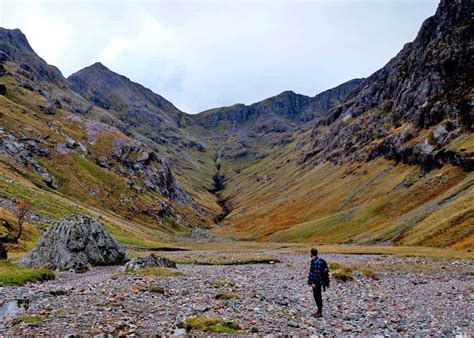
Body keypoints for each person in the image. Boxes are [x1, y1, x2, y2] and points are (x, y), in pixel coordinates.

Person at [307, 248, 329, 318]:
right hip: (319, 282)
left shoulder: (315, 262)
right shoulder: (319, 260)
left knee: (317, 296)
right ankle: (319, 311)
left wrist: (313, 283)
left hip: (317, 282)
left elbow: (316, 273)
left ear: (311, 253)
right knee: (317, 296)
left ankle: (319, 312)